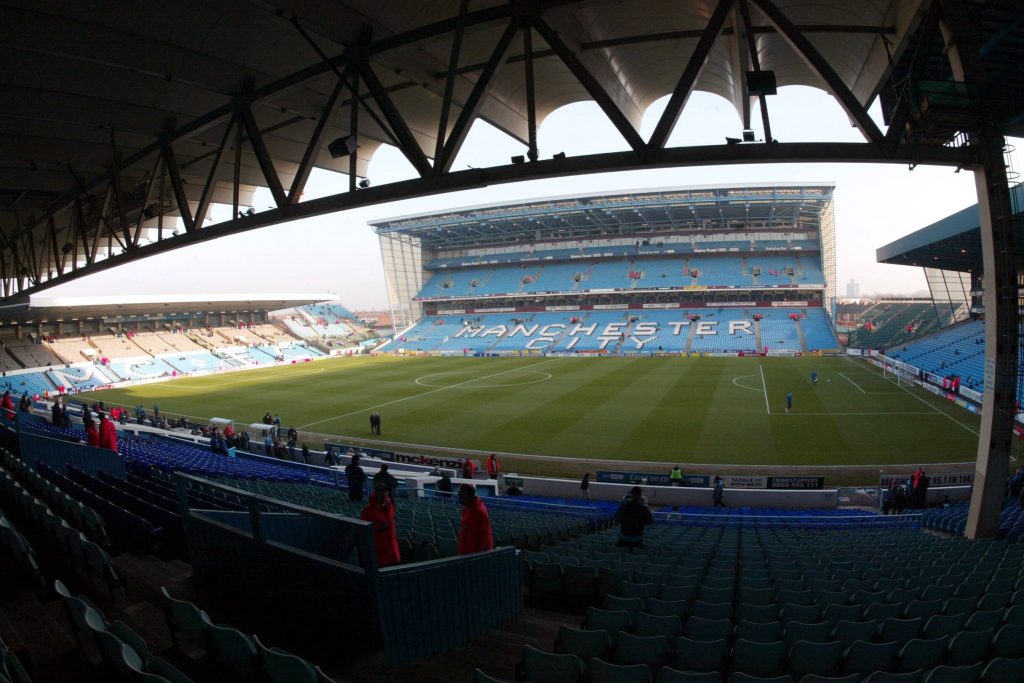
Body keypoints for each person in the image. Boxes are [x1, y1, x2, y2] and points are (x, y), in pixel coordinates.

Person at [360, 484, 400, 567]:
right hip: (380, 550)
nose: (383, 494)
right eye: (381, 492)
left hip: (392, 548)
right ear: (376, 493)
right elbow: (364, 531)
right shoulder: (368, 510)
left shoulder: (390, 506)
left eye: (385, 491)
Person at [456, 484, 494, 555]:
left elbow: (482, 539)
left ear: (471, 497)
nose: (459, 499)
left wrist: (474, 558)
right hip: (466, 554)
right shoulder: (468, 507)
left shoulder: (478, 512)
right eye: (459, 496)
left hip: (474, 557)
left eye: (462, 497)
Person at [614, 486, 653, 552]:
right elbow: (650, 522)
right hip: (637, 538)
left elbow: (617, 519)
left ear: (631, 494)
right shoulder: (644, 508)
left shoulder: (623, 506)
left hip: (624, 537)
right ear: (641, 495)